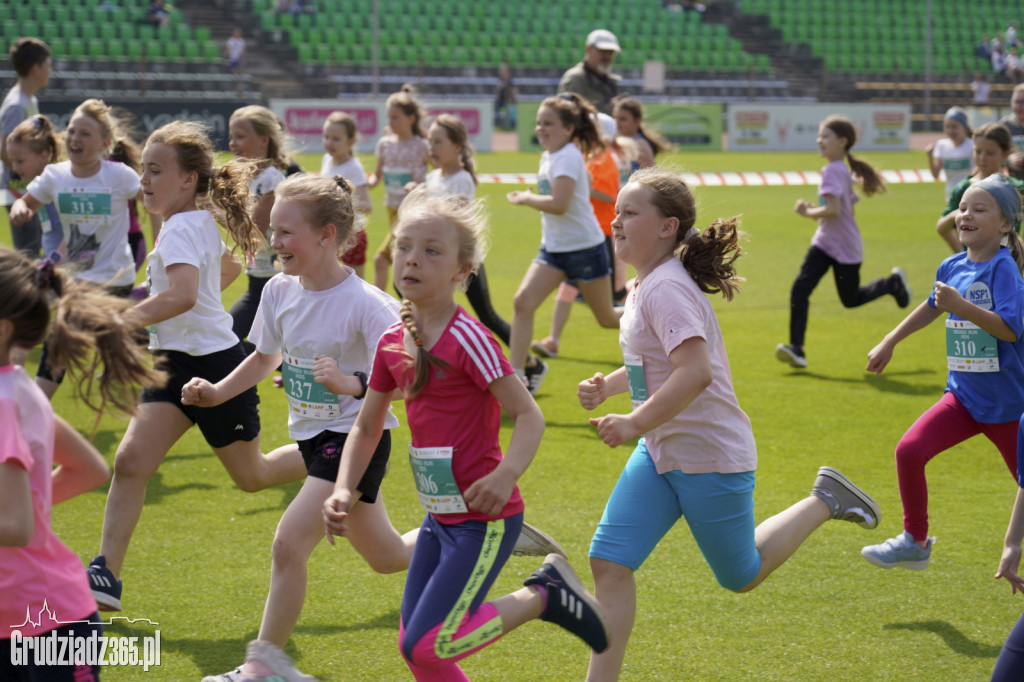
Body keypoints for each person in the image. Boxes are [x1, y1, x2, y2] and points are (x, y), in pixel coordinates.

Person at [579, 168, 881, 681]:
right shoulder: (644, 283)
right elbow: (656, 363)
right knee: (609, 562)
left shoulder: (665, 288)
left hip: (708, 458)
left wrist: (632, 421)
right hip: (660, 451)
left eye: (630, 213)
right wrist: (609, 387)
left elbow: (694, 373)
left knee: (740, 575)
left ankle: (826, 498)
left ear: (667, 226)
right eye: (617, 212)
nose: (616, 221)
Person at [322, 187, 610, 680]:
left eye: (432, 251)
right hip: (439, 518)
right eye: (405, 247)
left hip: (485, 519)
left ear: (462, 271)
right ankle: (544, 595)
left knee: (430, 647)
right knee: (415, 650)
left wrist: (506, 475)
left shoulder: (468, 338)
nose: (413, 260)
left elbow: (529, 415)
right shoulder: (394, 340)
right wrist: (344, 487)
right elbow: (367, 425)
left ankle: (545, 595)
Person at [185, 173, 417, 682]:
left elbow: (411, 379)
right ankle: (475, 531)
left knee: (288, 544)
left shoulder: (369, 305)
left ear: (327, 235)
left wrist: (354, 383)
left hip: (358, 439)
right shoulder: (277, 291)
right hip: (314, 441)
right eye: (272, 230)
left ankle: (261, 669)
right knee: (387, 556)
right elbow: (265, 357)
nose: (275, 242)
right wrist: (219, 391)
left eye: (287, 232)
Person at [84, 121, 308, 613]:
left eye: (157, 170)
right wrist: (201, 302)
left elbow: (183, 296)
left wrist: (117, 318)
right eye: (143, 169)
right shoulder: (193, 221)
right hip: (173, 363)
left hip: (216, 367)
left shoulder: (184, 226)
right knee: (131, 462)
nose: (145, 179)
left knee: (254, 476)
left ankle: (337, 453)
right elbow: (223, 271)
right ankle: (105, 573)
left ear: (188, 180)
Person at [0, 247, 161, 682]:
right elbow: (88, 469)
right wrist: (30, 505)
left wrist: (23, 512)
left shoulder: (4, 402)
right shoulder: (18, 388)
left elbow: (14, 527)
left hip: (43, 625)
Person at [862, 174, 1024, 571]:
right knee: (909, 451)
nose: (965, 215)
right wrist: (890, 340)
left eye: (979, 209)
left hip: (1009, 407)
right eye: (963, 207)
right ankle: (915, 541)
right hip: (963, 399)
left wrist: (962, 306)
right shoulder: (952, 265)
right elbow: (932, 307)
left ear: (1005, 225)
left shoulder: (1003, 270)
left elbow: (1010, 328)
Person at [9, 99, 143, 398]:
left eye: (84, 133)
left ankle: (30, 407)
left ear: (105, 143)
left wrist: (162, 241)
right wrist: (20, 209)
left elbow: (156, 201)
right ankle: (30, 407)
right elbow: (25, 201)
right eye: (71, 131)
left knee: (68, 342)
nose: (74, 139)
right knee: (62, 342)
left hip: (113, 280)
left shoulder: (119, 175)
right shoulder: (56, 175)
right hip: (75, 280)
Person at [775, 114, 911, 369]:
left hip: (844, 247)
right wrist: (819, 212)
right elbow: (844, 208)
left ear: (842, 141)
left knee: (850, 299)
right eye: (819, 135)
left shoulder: (832, 171)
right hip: (827, 243)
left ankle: (892, 284)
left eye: (825, 136)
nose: (819, 140)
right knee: (800, 289)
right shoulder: (841, 170)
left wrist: (807, 212)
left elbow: (834, 209)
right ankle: (797, 349)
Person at [506, 94, 621, 393]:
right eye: (539, 123)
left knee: (607, 318)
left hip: (584, 248)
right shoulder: (549, 155)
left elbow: (559, 203)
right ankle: (517, 378)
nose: (541, 128)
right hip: (554, 249)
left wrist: (527, 198)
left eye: (549, 123)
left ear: (569, 129)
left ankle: (657, 318)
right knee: (522, 303)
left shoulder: (568, 155)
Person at [423, 113, 546, 389]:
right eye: (430, 141)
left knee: (486, 315)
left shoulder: (462, 179)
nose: (432, 147)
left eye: (438, 141)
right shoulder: (432, 178)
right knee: (432, 309)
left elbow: (456, 221)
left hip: (465, 261)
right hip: (440, 261)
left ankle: (529, 363)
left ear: (457, 147)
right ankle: (438, 369)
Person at [533, 112, 622, 360]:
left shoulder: (605, 160)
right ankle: (553, 340)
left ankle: (656, 326)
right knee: (568, 292)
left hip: (599, 235)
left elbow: (609, 195)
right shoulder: (580, 157)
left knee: (613, 306)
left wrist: (580, 187)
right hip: (577, 237)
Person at [227, 105, 291, 354]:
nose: (233, 143)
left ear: (264, 140)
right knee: (230, 343)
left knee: (228, 344)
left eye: (240, 136)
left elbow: (249, 235)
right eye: (231, 136)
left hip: (276, 285)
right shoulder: (248, 179)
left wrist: (210, 207)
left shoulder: (271, 180)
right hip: (257, 283)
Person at [368, 90, 429, 293]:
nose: (391, 122)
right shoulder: (385, 145)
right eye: (389, 117)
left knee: (381, 259)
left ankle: (378, 312)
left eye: (396, 117)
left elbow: (432, 178)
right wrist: (362, 184)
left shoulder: (422, 146)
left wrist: (418, 187)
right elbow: (376, 177)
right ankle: (410, 309)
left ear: (411, 119)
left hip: (411, 212)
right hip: (391, 210)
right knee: (402, 263)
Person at [934, 122, 1018, 253]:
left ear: (1005, 154)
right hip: (975, 269)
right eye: (978, 151)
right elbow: (941, 227)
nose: (982, 158)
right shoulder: (964, 188)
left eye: (990, 153)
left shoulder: (1015, 188)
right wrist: (959, 253)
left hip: (1008, 266)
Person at [2, 38, 51, 257]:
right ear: (35, 68)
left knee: (36, 248)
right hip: (17, 188)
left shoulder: (28, 99)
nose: (50, 70)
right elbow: (3, 149)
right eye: (48, 65)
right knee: (27, 255)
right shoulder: (16, 105)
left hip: (29, 186)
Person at [321, 111, 371, 279]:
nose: (329, 143)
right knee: (327, 280)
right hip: (329, 232)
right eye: (326, 137)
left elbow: (366, 204)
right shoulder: (326, 160)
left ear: (351, 141)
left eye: (336, 139)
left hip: (351, 234)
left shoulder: (354, 168)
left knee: (355, 284)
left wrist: (338, 203)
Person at [5, 115, 63, 259]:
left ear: (43, 156)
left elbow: (73, 231)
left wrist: (56, 259)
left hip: (66, 264)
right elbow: (23, 202)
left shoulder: (58, 182)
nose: (15, 167)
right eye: (12, 161)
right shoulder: (39, 184)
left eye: (20, 161)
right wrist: (19, 207)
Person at [558, 29, 622, 116]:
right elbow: (569, 117)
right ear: (588, 49)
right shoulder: (575, 79)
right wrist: (610, 108)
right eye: (602, 51)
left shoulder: (610, 80)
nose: (607, 56)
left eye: (610, 52)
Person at [926, 107, 974, 202]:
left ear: (964, 127)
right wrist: (930, 156)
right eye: (947, 127)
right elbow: (936, 175)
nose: (950, 130)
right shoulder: (942, 145)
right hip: (951, 196)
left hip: (971, 196)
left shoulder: (973, 146)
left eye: (954, 126)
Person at [611, 95, 669, 171]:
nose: (617, 122)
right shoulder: (618, 142)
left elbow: (653, 176)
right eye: (615, 118)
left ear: (637, 121)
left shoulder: (639, 144)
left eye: (622, 119)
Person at [998, 83, 1024, 149]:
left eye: (1023, 102)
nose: (1020, 106)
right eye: (1017, 102)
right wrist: (1009, 159)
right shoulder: (1004, 126)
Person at [494, 63, 518, 131]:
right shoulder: (499, 83)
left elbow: (514, 93)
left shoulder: (511, 83)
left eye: (504, 71)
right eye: (502, 71)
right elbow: (498, 95)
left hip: (509, 103)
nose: (503, 72)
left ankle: (511, 125)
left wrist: (511, 99)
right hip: (500, 103)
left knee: (512, 110)